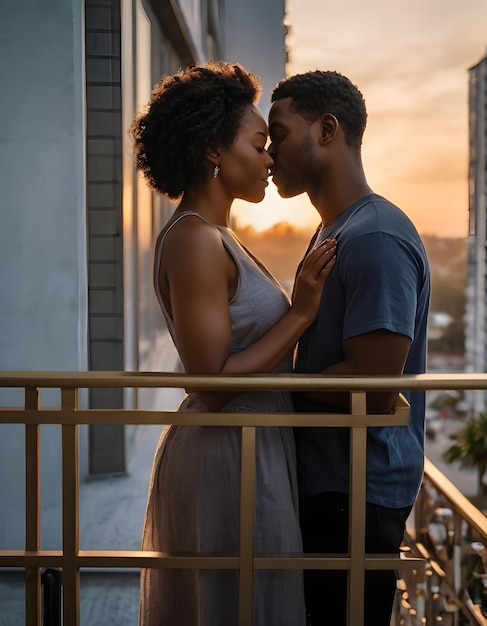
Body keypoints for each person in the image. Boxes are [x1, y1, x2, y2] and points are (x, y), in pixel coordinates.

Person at [130, 61, 336, 626]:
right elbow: (213, 386)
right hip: (226, 454)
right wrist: (299, 314)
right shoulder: (196, 240)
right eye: (258, 143)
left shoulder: (216, 235)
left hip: (249, 447)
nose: (269, 159)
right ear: (215, 152)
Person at [268, 70, 431, 626]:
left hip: (355, 491)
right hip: (331, 481)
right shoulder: (339, 230)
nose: (270, 154)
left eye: (279, 134)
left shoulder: (375, 236)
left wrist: (266, 393)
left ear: (327, 129)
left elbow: (376, 385)